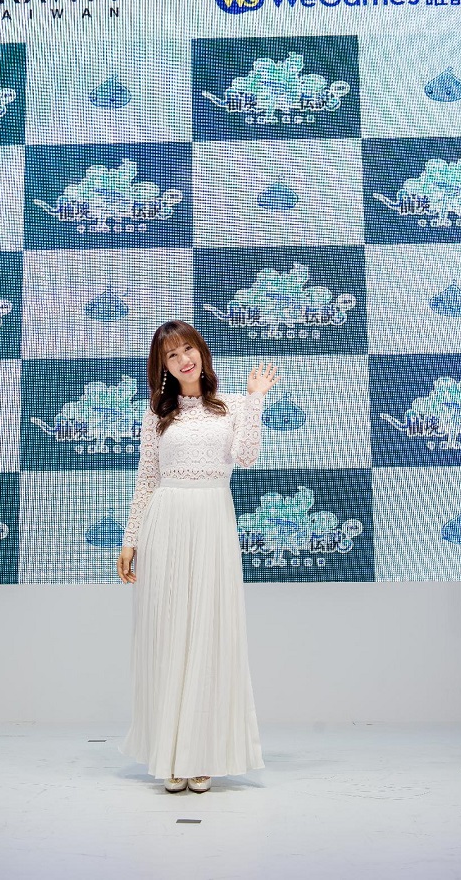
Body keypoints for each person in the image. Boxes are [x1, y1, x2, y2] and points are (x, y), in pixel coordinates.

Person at [116, 320, 279, 793]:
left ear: (201, 352)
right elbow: (147, 479)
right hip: (165, 522)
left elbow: (246, 456)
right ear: (162, 367)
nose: (183, 359)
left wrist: (256, 398)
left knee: (210, 633)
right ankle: (171, 754)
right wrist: (131, 539)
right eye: (171, 355)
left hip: (212, 521)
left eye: (187, 349)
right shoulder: (157, 415)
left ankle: (201, 752)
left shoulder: (234, 406)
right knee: (168, 634)